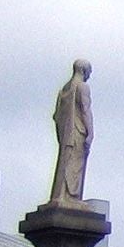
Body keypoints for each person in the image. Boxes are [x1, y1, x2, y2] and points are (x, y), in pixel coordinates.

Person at [50, 59, 93, 204]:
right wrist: (90, 132)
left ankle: (60, 196)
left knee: (64, 162)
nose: (89, 76)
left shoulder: (64, 90)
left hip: (65, 133)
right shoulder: (82, 87)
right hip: (77, 131)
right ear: (83, 70)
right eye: (89, 72)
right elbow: (85, 110)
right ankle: (70, 197)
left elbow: (56, 116)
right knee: (74, 165)